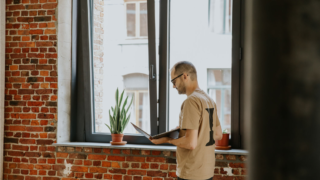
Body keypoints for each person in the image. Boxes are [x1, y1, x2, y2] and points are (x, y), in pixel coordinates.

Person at [149, 61, 222, 180]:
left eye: (174, 81)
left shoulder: (191, 101)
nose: (173, 86)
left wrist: (168, 139)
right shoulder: (209, 100)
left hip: (191, 173)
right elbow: (218, 134)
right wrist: (182, 130)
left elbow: (190, 143)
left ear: (184, 76)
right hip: (207, 172)